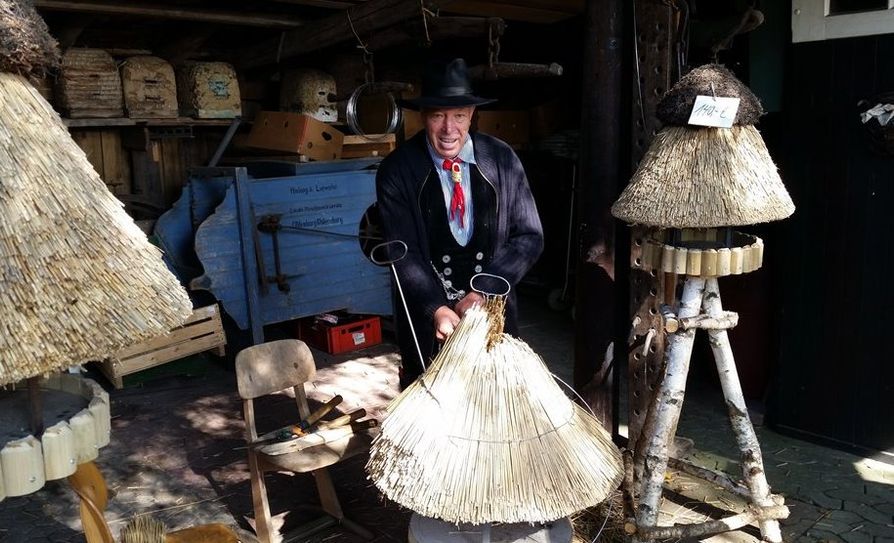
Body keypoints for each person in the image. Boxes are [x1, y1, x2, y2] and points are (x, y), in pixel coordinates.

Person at [376, 58, 544, 389]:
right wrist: (434, 307)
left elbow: (529, 236)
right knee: (430, 405)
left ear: (472, 114)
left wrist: (484, 291)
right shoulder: (397, 169)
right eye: (438, 115)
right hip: (429, 321)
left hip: (492, 314)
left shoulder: (501, 159)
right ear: (423, 116)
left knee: (496, 399)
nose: (448, 128)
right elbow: (402, 251)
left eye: (459, 115)